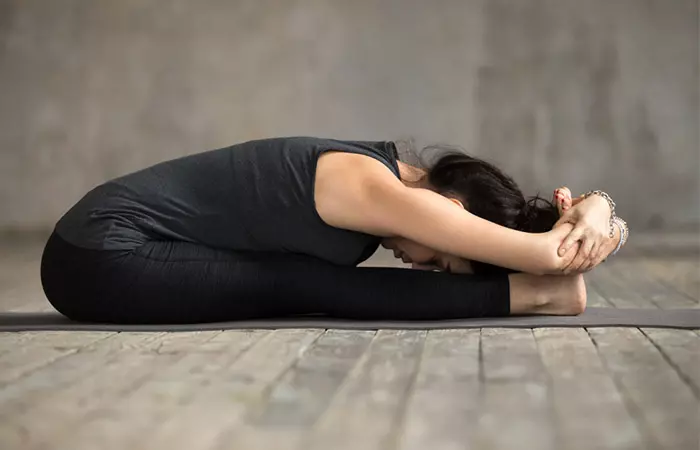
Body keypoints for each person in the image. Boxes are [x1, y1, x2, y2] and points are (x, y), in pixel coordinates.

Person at [40, 137, 628, 324]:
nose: (424, 267)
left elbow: (550, 245)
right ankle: (529, 297)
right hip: (98, 255)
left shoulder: (385, 176)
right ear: (452, 211)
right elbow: (546, 252)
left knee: (300, 280)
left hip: (113, 250)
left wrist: (597, 208)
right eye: (444, 260)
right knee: (301, 285)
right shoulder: (372, 187)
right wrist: (597, 212)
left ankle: (532, 294)